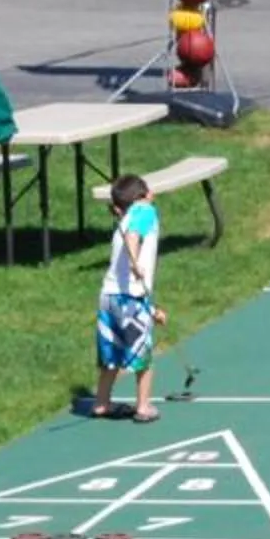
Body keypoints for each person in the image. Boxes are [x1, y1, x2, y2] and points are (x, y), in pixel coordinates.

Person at [90, 173, 161, 424]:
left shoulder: (126, 217)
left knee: (111, 355)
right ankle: (143, 406)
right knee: (143, 358)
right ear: (145, 195)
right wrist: (134, 262)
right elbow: (133, 236)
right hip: (131, 299)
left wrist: (153, 310)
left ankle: (101, 403)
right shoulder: (145, 210)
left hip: (109, 297)